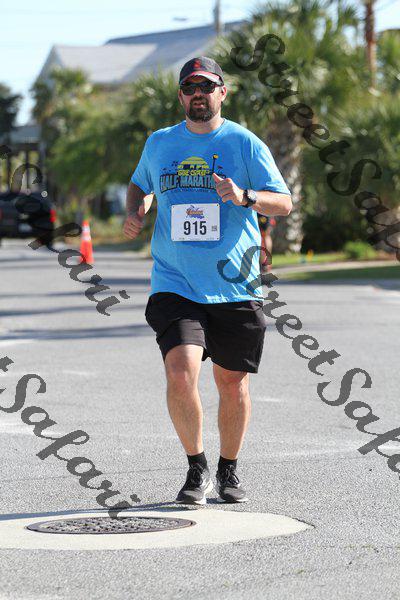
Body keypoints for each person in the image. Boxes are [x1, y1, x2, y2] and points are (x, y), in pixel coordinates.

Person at [123, 56, 291, 505]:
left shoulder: (244, 143)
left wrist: (245, 195)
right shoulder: (160, 143)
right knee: (181, 372)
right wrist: (135, 208)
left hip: (235, 284)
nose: (198, 94)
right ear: (181, 96)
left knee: (232, 383)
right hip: (174, 282)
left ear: (222, 92)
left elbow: (284, 202)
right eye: (189, 87)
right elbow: (140, 183)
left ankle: (228, 469)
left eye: (206, 86)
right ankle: (197, 468)